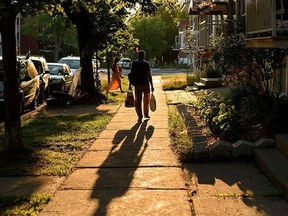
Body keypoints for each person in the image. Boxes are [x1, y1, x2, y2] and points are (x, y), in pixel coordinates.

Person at [129, 50, 154, 121]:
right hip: (146, 84)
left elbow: (131, 75)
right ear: (144, 56)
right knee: (146, 100)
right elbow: (149, 75)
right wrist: (152, 85)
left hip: (137, 85)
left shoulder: (134, 63)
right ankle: (146, 114)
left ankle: (140, 116)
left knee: (138, 101)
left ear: (138, 55)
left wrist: (130, 85)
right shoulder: (146, 64)